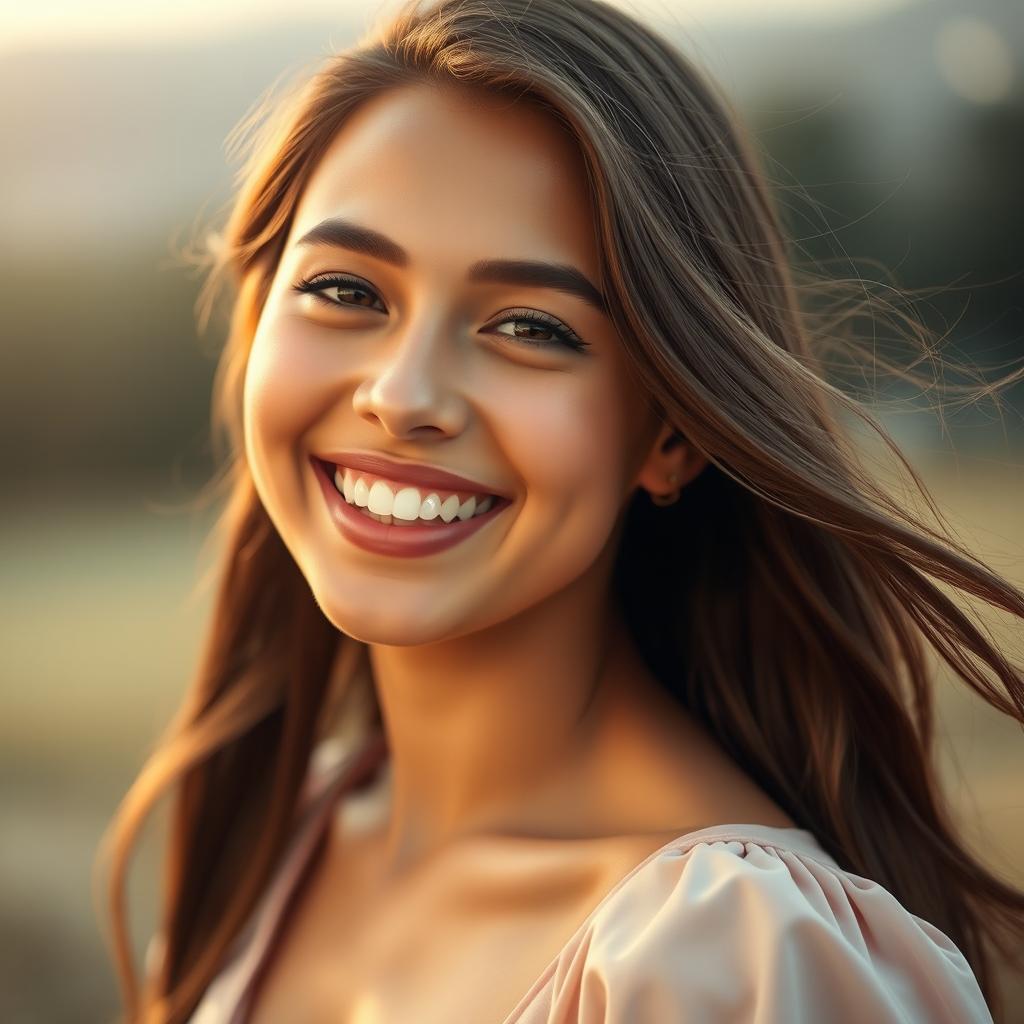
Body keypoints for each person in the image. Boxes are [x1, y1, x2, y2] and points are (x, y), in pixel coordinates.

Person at [97, 0, 1024, 1020]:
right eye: (348, 291)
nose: (404, 396)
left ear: (671, 434)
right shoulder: (280, 833)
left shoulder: (736, 954)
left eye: (530, 326)